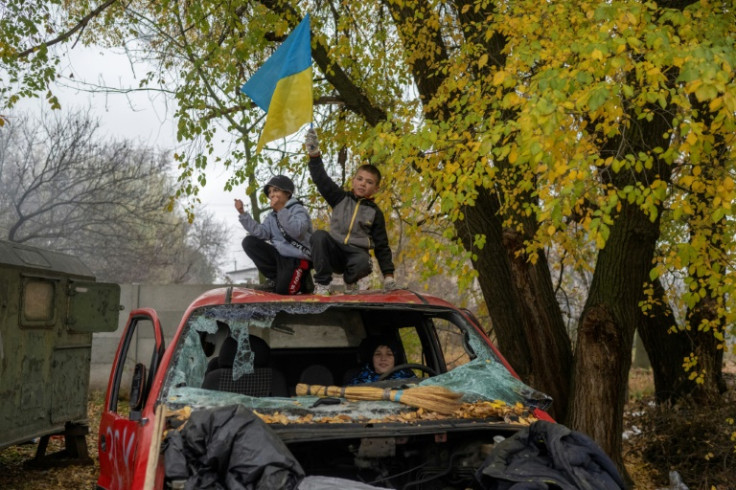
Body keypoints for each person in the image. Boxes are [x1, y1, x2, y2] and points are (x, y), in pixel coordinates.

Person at [304, 128, 397, 295]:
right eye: (360, 179)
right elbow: (321, 180)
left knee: (364, 261)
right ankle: (323, 284)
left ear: (376, 188)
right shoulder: (340, 198)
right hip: (335, 251)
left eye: (369, 182)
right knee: (318, 236)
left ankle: (351, 281)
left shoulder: (375, 213)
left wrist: (388, 275)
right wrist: (314, 154)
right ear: (353, 180)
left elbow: (382, 246)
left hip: (356, 255)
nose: (363, 184)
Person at [235, 175, 314, 295]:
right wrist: (242, 213)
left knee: (282, 291)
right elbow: (261, 233)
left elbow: (297, 231)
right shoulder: (271, 217)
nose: (271, 194)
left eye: (276, 190)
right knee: (249, 242)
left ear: (287, 193)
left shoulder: (298, 209)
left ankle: (304, 280)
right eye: (269, 192)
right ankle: (275, 279)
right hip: (280, 258)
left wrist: (281, 210)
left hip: (297, 259)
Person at [348, 337, 415, 385]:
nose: (383, 358)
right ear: (371, 358)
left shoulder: (408, 377)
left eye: (389, 354)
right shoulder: (359, 381)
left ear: (396, 359)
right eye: (378, 354)